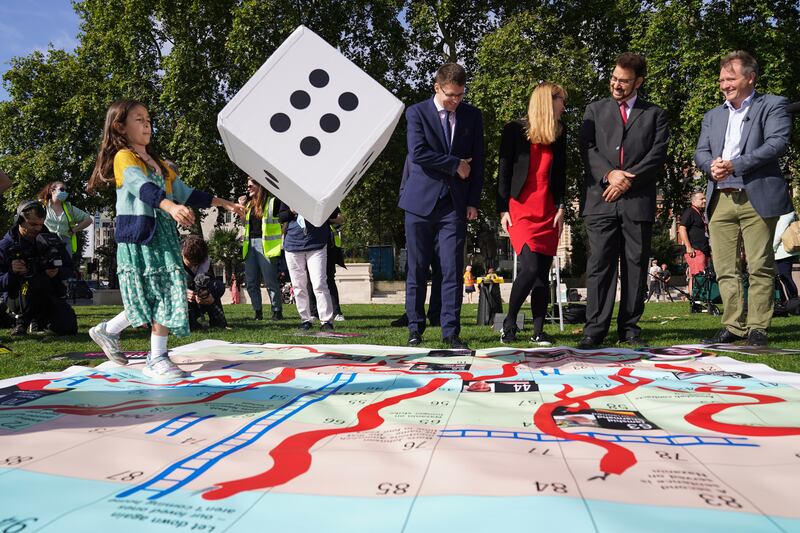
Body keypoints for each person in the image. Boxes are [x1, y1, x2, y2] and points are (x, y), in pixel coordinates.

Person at [86, 99, 243, 378]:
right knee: (147, 297)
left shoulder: (158, 163)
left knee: (167, 291)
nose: (147, 123)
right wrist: (169, 206)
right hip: (139, 238)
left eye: (148, 118)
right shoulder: (124, 158)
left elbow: (185, 192)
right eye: (138, 119)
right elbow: (140, 187)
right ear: (119, 127)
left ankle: (145, 350)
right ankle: (133, 345)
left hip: (164, 236)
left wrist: (224, 203)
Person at [695, 51, 793, 347]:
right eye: (722, 79)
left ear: (750, 78)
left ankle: (758, 327)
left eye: (731, 78)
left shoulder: (774, 105)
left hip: (757, 195)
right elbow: (700, 151)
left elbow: (777, 143)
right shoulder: (712, 115)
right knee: (725, 267)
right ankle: (733, 325)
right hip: (720, 197)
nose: (724, 84)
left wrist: (735, 164)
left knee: (760, 264)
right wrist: (709, 165)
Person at [578, 52, 669, 348]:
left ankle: (629, 326)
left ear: (638, 82)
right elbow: (587, 149)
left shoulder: (655, 114)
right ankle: (595, 328)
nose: (616, 85)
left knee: (635, 265)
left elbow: (656, 155)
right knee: (599, 264)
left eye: (624, 81)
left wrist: (627, 179)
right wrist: (609, 175)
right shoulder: (593, 110)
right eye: (614, 78)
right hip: (600, 199)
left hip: (637, 200)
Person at [399, 62, 485, 349]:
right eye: (451, 95)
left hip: (454, 206)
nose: (456, 101)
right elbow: (418, 153)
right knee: (418, 269)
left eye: (461, 95)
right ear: (437, 88)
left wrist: (473, 201)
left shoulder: (472, 116)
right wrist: (455, 165)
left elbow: (479, 161)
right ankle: (415, 328)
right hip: (419, 203)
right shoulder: (416, 113)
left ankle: (450, 332)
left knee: (451, 269)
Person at [497, 82, 568, 346]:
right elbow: (503, 172)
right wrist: (502, 208)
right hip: (521, 208)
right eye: (561, 100)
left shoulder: (560, 133)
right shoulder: (514, 130)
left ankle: (539, 330)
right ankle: (509, 323)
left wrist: (562, 207)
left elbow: (560, 174)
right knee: (528, 267)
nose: (564, 105)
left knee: (542, 272)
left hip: (548, 209)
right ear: (547, 101)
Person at [0, 200, 78, 336]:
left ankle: (39, 321)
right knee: (35, 281)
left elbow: (69, 269)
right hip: (19, 296)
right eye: (33, 224)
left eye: (41, 225)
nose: (37, 228)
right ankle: (21, 322)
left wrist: (57, 273)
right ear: (18, 221)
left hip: (48, 294)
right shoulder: (5, 246)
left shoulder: (52, 241)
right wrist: (12, 273)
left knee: (68, 327)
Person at [278, 202, 338, 331]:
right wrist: (292, 211)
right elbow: (281, 217)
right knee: (298, 285)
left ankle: (326, 321)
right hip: (293, 244)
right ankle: (305, 319)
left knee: (319, 283)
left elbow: (334, 213)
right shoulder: (288, 193)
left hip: (317, 244)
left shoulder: (320, 192)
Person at [238, 178, 283, 320]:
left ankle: (277, 310)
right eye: (248, 185)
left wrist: (282, 233)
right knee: (251, 282)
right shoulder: (249, 204)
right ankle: (257, 312)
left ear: (260, 186)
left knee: (270, 281)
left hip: (266, 246)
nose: (248, 187)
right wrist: (241, 207)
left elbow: (284, 220)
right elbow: (243, 223)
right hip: (250, 246)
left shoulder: (272, 202)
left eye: (251, 185)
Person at [181, 235, 227, 331]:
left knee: (215, 286)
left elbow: (213, 283)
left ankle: (217, 321)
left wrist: (210, 296)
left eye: (196, 263)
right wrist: (181, 292)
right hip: (178, 302)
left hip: (198, 300)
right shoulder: (171, 258)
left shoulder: (205, 261)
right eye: (190, 262)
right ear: (183, 253)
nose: (193, 266)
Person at [37, 181, 92, 259]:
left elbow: (88, 220)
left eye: (66, 190)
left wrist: (75, 229)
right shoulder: (42, 205)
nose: (65, 192)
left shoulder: (69, 208)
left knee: (65, 269)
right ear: (52, 191)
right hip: (46, 243)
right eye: (62, 189)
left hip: (64, 244)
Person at [678, 191, 710, 296]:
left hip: (703, 250)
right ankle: (696, 299)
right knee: (698, 275)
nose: (704, 201)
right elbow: (682, 228)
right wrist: (688, 247)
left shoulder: (700, 214)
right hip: (695, 250)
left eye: (705, 198)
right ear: (694, 201)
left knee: (701, 275)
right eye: (701, 199)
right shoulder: (690, 212)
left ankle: (698, 298)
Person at [773, 211, 799, 302]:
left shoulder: (786, 213)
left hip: (783, 252)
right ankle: (782, 302)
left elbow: (779, 232)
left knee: (785, 276)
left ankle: (794, 301)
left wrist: (771, 248)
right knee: (777, 278)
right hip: (777, 252)